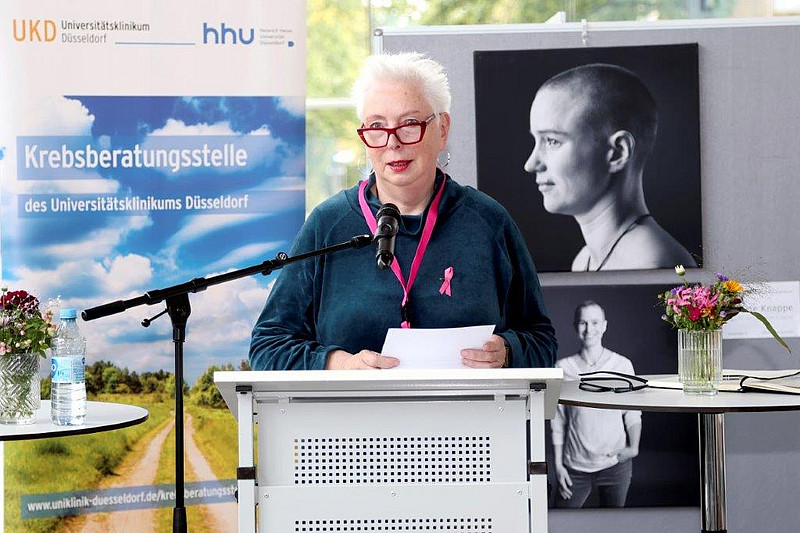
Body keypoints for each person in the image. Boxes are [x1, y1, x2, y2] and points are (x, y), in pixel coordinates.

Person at [249, 52, 557, 371]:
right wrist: (337, 365)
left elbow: (541, 342)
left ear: (442, 129)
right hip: (353, 405)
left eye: (409, 124)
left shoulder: (488, 222)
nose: (392, 143)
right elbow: (267, 347)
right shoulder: (328, 224)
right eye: (377, 127)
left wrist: (507, 352)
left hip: (465, 405)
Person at [523, 63, 697, 272]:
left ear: (617, 152)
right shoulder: (584, 260)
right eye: (537, 140)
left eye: (552, 141)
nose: (530, 164)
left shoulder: (655, 263)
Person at [550, 301, 641, 508]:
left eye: (595, 322)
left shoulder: (622, 365)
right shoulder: (563, 368)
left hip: (615, 465)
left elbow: (632, 412)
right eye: (583, 323)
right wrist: (558, 466)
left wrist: (633, 448)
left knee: (614, 523)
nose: (589, 329)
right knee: (561, 522)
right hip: (574, 466)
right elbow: (558, 421)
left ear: (605, 325)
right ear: (575, 326)